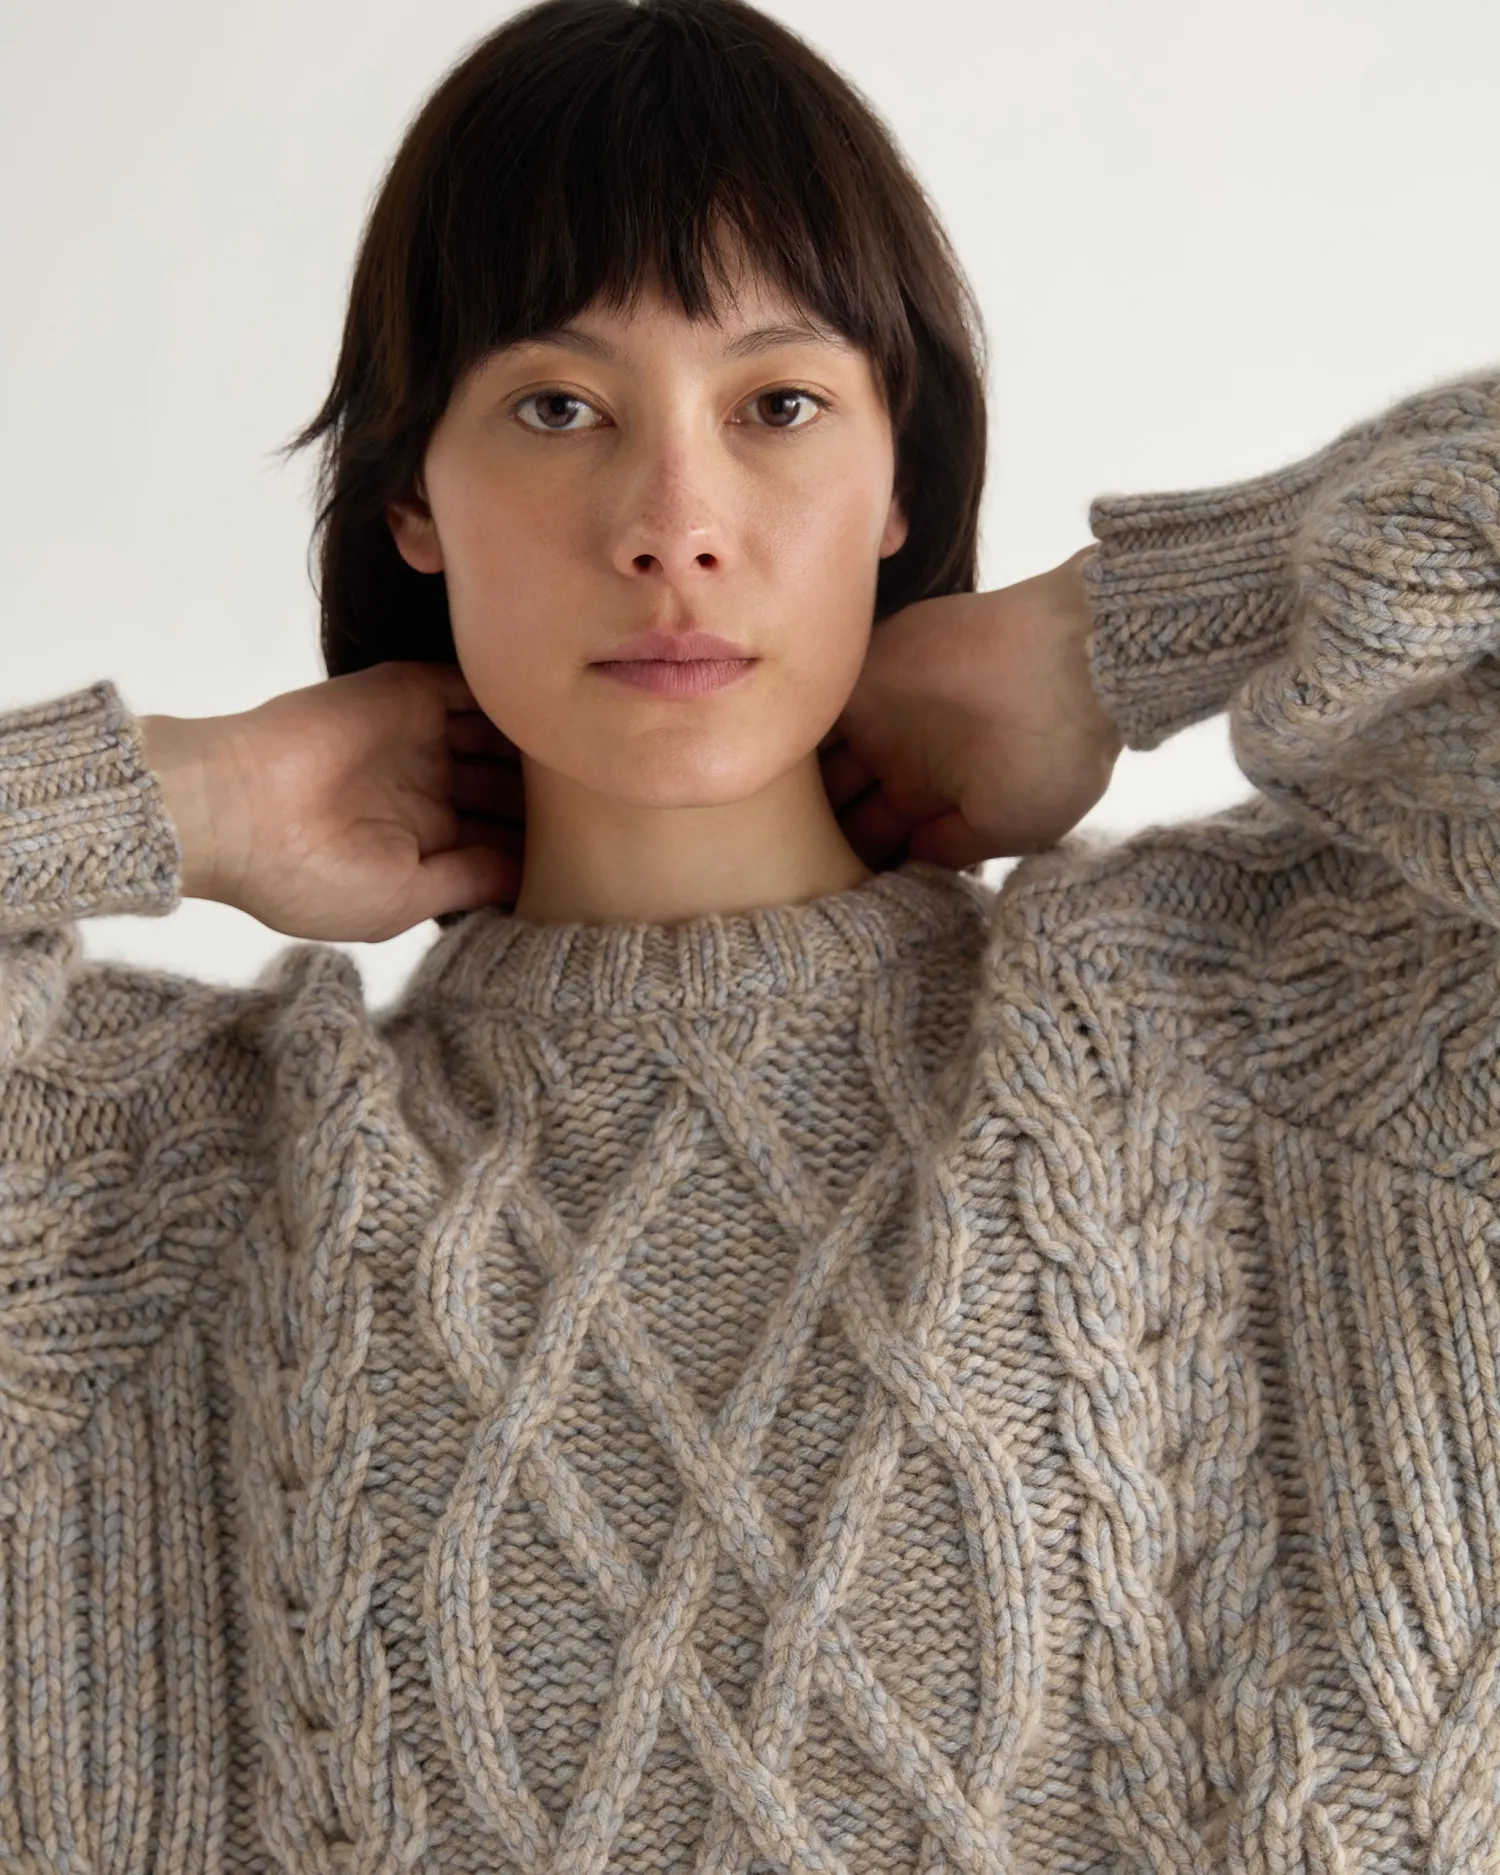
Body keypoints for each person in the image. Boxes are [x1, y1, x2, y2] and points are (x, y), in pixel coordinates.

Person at [0, 0, 1495, 1870]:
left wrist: (1128, 624)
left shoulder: (1293, 1050)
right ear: (412, 501)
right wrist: (180, 796)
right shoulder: (150, 1219)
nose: (673, 523)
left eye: (778, 404)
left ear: (898, 477)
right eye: (558, 407)